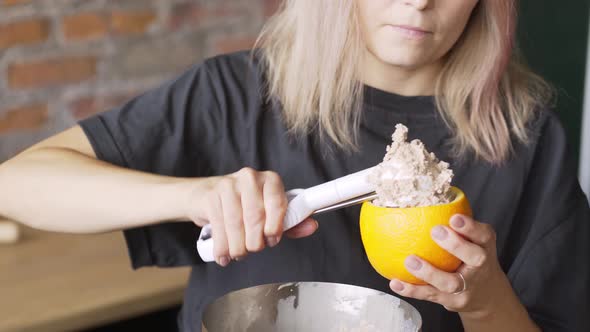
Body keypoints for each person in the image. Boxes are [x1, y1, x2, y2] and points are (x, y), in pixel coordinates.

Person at [0, 0, 588, 331]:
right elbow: (16, 184)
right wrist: (196, 197)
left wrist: (485, 301)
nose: (419, 1)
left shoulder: (530, 142)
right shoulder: (234, 95)